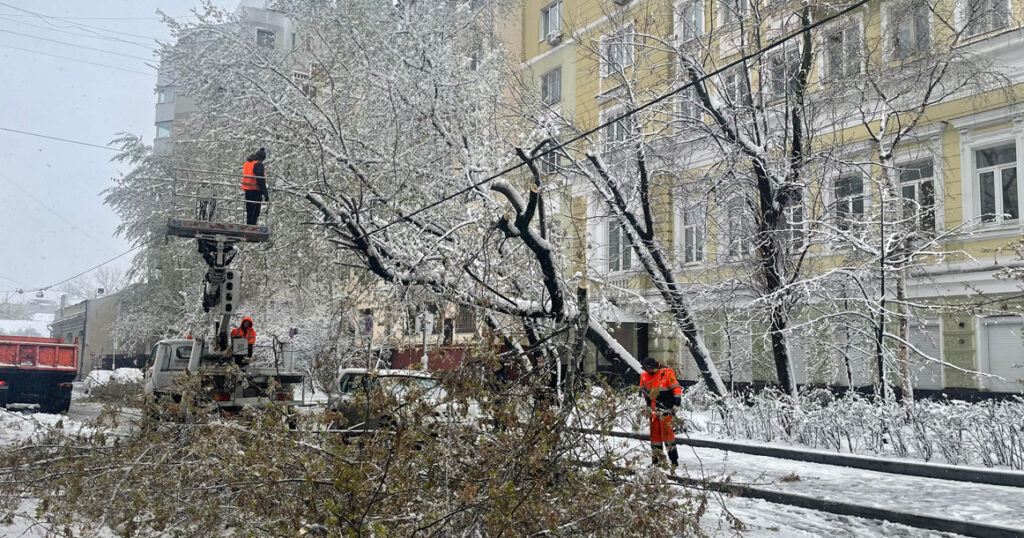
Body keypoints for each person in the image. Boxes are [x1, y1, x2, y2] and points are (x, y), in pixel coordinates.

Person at [639, 357, 682, 468]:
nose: (648, 370)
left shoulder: (666, 374)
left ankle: (674, 460)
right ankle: (656, 461)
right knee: (655, 438)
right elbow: (642, 388)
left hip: (665, 410)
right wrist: (642, 392)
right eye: (646, 368)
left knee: (668, 436)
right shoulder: (644, 375)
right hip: (652, 411)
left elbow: (676, 389)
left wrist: (676, 404)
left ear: (654, 366)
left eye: (650, 368)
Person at [241, 148, 269, 225]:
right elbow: (260, 180)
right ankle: (251, 225)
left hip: (247, 189)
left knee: (249, 210)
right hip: (255, 190)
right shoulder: (258, 164)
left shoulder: (248, 163)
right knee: (255, 211)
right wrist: (265, 193)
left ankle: (249, 224)